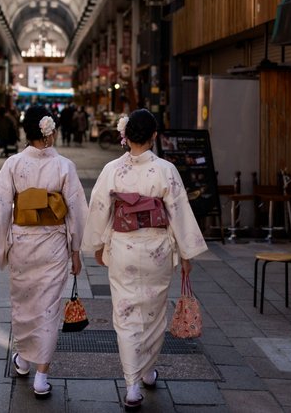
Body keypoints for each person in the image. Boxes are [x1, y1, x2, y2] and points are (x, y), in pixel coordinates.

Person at [81, 108, 207, 411]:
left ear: (126, 135)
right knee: (153, 313)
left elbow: (99, 208)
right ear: (153, 136)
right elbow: (178, 211)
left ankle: (132, 385)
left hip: (123, 248)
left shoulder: (112, 169)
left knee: (124, 315)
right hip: (157, 250)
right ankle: (147, 371)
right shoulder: (165, 169)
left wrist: (96, 244)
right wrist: (186, 254)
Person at [0, 105, 87, 399]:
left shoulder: (14, 164)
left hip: (23, 244)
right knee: (48, 308)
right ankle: (41, 375)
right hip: (54, 244)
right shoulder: (64, 166)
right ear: (48, 133)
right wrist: (76, 249)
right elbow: (77, 214)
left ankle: (22, 358)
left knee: (24, 305)